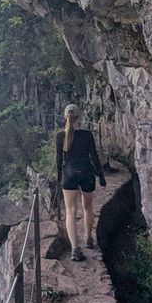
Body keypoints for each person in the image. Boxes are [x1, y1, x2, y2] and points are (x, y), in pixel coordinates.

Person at [56, 104, 106, 261]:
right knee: (87, 207)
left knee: (70, 212)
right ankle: (89, 239)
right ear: (80, 117)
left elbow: (59, 161)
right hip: (86, 173)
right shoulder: (86, 135)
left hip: (69, 175)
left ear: (65, 117)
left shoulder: (60, 137)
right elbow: (94, 157)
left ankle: (75, 249)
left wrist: (59, 180)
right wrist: (101, 176)